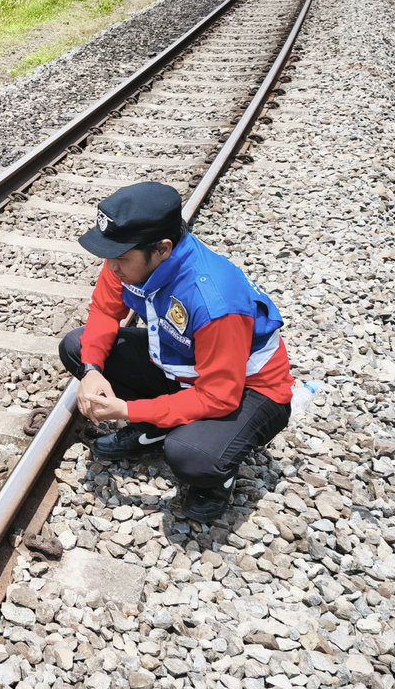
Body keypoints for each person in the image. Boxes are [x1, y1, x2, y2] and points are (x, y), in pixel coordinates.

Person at [58, 183, 293, 523]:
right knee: (77, 348)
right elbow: (104, 312)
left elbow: (219, 397)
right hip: (184, 367)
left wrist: (128, 409)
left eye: (121, 258)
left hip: (249, 391)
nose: (111, 268)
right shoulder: (129, 262)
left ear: (163, 249)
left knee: (190, 456)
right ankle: (155, 430)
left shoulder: (214, 302)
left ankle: (216, 480)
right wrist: (92, 369)